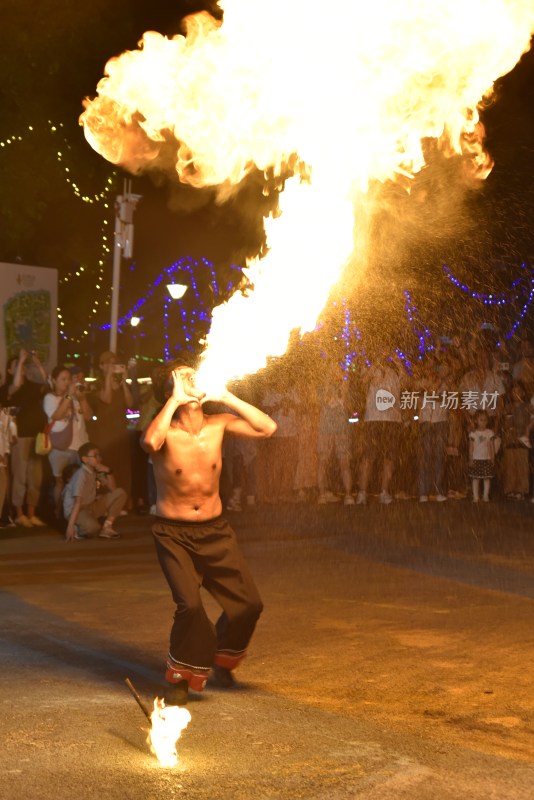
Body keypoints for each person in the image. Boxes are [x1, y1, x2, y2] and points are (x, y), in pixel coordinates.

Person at [141, 359, 277, 706]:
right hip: (174, 535)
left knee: (248, 605)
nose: (193, 380)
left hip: (216, 532)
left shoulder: (218, 423)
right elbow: (148, 444)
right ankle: (181, 678)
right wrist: (173, 399)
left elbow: (267, 428)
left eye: (193, 376)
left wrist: (227, 395)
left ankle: (221, 658)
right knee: (189, 606)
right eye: (184, 377)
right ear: (171, 388)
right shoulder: (165, 430)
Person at [0, 349, 48, 527]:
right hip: (18, 438)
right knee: (19, 476)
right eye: (17, 366)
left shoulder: (32, 385)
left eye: (23, 366)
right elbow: (16, 386)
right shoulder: (7, 389)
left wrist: (35, 362)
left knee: (35, 477)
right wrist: (20, 359)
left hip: (35, 436)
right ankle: (19, 513)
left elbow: (46, 381)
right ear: (10, 371)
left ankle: (31, 512)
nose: (22, 369)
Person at [43, 366, 92, 517]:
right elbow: (56, 415)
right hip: (60, 447)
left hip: (80, 445)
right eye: (63, 379)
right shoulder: (50, 398)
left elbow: (89, 416)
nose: (66, 382)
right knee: (60, 481)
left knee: (80, 482)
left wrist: (82, 398)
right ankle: (59, 512)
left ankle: (77, 514)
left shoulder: (76, 397)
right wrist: (69, 396)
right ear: (54, 381)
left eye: (68, 379)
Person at [87, 351, 134, 507]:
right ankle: (105, 502)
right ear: (102, 365)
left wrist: (124, 382)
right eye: (109, 363)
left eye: (114, 363)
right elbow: (106, 399)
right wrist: (107, 376)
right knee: (105, 466)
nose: (112, 366)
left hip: (120, 430)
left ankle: (121, 502)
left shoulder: (120, 383)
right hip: (104, 433)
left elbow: (130, 404)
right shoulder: (98, 384)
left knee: (121, 466)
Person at [62, 442, 127, 541]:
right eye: (95, 455)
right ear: (85, 459)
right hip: (76, 510)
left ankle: (107, 528)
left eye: (99, 455)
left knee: (120, 493)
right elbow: (77, 502)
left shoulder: (95, 471)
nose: (99, 458)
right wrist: (70, 526)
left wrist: (108, 471)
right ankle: (76, 527)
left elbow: (113, 489)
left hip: (90, 506)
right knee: (93, 528)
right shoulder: (81, 475)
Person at [468, 410, 495, 503]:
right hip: (476, 459)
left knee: (486, 478)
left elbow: (491, 446)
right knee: (475, 478)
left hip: (486, 459)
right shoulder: (473, 434)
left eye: (485, 420)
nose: (483, 422)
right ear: (476, 420)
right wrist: (470, 459)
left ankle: (485, 496)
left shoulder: (489, 433)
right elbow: (471, 447)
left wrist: (492, 457)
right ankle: (475, 497)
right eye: (481, 420)